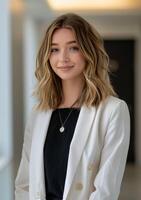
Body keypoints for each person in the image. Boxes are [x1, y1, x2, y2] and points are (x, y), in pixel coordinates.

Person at [15, 13, 130, 200]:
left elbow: (106, 191)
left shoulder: (113, 111)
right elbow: (24, 184)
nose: (63, 58)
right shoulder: (39, 113)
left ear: (89, 52)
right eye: (54, 49)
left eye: (73, 48)